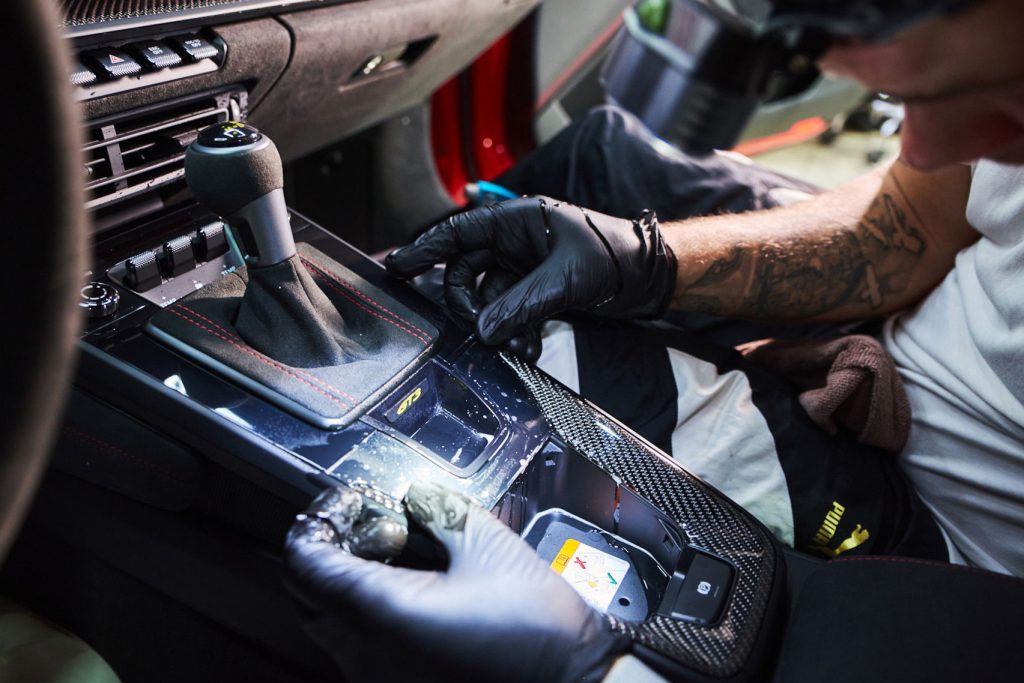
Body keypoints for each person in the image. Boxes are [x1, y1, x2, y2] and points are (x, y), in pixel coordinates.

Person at [286, 0, 1024, 679]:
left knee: (501, 365)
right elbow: (902, 230)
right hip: (897, 344)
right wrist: (641, 262)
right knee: (597, 157)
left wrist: (597, 668)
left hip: (938, 555)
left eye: (989, 97)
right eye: (903, 102)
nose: (923, 150)